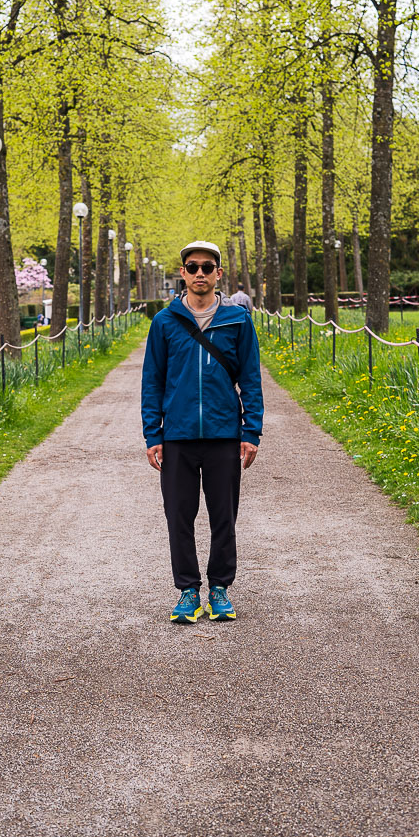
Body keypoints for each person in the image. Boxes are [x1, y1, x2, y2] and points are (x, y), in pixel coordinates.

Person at [141, 241, 264, 624]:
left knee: (223, 515)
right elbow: (153, 382)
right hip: (176, 436)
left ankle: (220, 588)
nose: (199, 273)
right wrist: (153, 434)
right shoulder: (164, 322)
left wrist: (252, 431)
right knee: (178, 515)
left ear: (218, 274)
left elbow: (251, 379)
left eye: (207, 267)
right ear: (183, 273)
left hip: (223, 434)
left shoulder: (237, 320)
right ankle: (188, 590)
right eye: (192, 267)